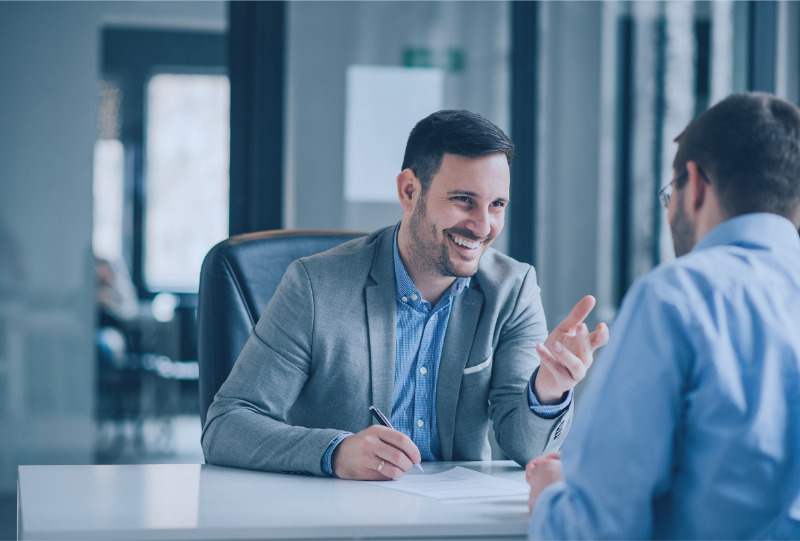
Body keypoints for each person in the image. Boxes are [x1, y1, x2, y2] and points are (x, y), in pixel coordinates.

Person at [202, 110, 608, 480]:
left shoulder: (512, 290)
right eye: (463, 200)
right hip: (339, 520)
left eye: (497, 204)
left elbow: (526, 447)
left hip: (454, 524)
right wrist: (336, 452)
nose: (483, 226)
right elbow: (226, 425)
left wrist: (549, 389)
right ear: (410, 191)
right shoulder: (314, 286)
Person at [527, 92, 800, 539]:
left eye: (668, 193)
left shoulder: (676, 298)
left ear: (693, 185)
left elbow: (598, 528)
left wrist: (553, 497)